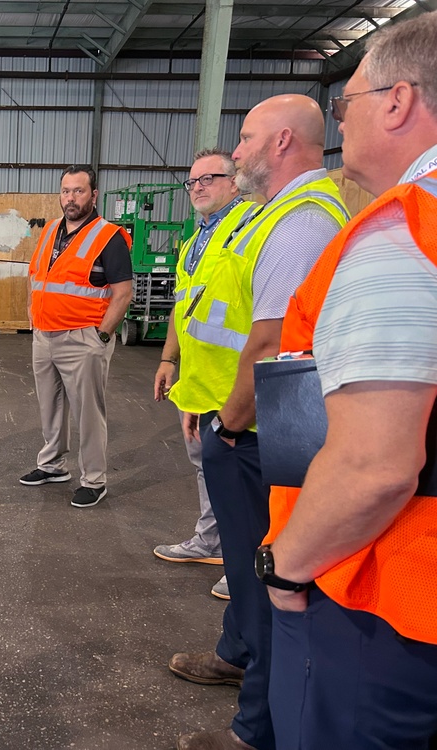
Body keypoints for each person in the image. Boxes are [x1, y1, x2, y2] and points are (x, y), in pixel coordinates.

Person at [263, 14, 437, 748]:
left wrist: (285, 567)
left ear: (398, 101)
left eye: (347, 103)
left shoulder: (404, 234)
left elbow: (374, 467)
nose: (342, 122)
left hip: (393, 600)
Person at [169, 96, 349, 750]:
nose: (236, 150)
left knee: (266, 573)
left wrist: (229, 423)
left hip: (257, 432)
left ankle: (256, 728)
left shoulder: (301, 222)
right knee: (248, 574)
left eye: (245, 138)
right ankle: (237, 652)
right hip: (241, 418)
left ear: (281, 142)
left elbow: (271, 343)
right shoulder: (267, 214)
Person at [154, 149, 258, 601]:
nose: (197, 187)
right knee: (208, 470)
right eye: (192, 181)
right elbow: (184, 306)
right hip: (200, 379)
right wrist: (168, 360)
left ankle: (247, 565)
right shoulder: (195, 240)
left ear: (234, 182)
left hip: (239, 383)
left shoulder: (250, 230)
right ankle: (212, 542)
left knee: (244, 479)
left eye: (208, 178)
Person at [21, 165, 133, 508]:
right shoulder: (50, 230)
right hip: (45, 336)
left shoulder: (109, 236)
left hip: (83, 339)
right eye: (66, 191)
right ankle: (52, 465)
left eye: (79, 191)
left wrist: (102, 337)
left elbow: (123, 294)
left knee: (88, 414)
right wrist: (32, 313)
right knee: (50, 406)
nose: (71, 198)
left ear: (94, 195)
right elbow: (36, 276)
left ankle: (94, 480)